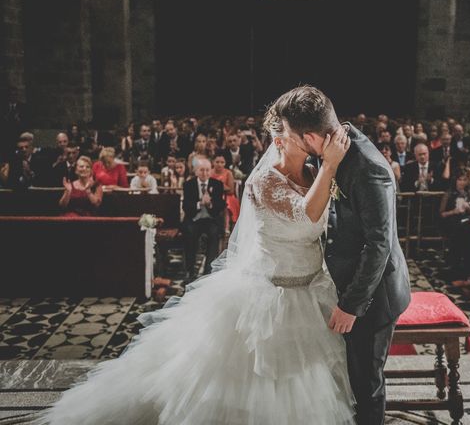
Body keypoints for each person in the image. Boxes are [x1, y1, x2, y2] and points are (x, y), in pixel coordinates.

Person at [32, 101, 355, 425]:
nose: (304, 137)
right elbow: (305, 216)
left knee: (302, 383)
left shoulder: (313, 172)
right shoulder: (265, 182)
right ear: (278, 141)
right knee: (252, 385)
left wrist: (326, 169)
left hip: (310, 292)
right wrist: (330, 166)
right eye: (292, 132)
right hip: (269, 296)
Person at [270, 85, 410, 424]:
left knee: (366, 384)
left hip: (374, 297)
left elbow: (380, 245)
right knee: (348, 377)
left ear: (312, 137)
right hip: (344, 283)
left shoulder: (369, 169)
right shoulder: (330, 152)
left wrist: (351, 305)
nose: (283, 138)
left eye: (289, 133)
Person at [181, 157, 226, 282]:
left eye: (207, 170)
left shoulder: (217, 184)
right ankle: (190, 270)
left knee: (214, 233)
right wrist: (199, 203)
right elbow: (186, 207)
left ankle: (208, 271)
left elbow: (220, 206)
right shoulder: (188, 185)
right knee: (189, 233)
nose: (204, 173)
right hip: (194, 219)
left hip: (210, 219)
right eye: (201, 170)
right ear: (196, 171)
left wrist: (210, 204)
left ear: (210, 171)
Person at [439, 169, 470, 290]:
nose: (461, 182)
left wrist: (468, 208)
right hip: (453, 224)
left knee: (469, 242)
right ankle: (455, 272)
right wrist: (454, 212)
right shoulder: (449, 194)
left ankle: (467, 274)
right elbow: (442, 213)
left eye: (464, 180)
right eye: (459, 179)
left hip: (467, 225)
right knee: (458, 240)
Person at [210, 152, 241, 235]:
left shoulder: (228, 173)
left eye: (222, 162)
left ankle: (226, 228)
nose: (219, 164)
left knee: (227, 202)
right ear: (213, 162)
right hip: (212, 195)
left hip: (227, 195)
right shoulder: (209, 172)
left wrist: (219, 186)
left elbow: (231, 190)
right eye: (217, 162)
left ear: (225, 163)